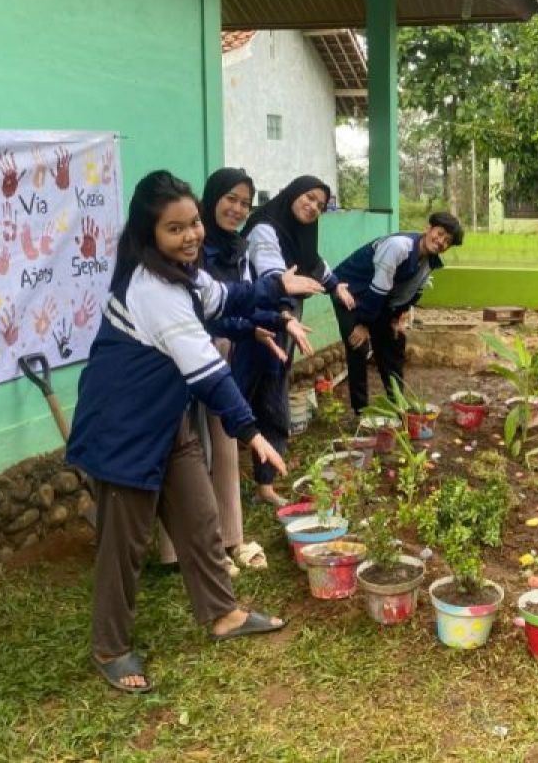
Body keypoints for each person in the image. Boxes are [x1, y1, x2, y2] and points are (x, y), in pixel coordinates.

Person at [67, 170, 322, 693]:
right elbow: (208, 372)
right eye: (174, 229)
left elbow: (225, 299)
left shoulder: (184, 271)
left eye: (192, 225)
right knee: (125, 546)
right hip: (123, 428)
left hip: (165, 418)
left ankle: (222, 614)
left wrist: (275, 289)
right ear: (149, 235)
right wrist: (252, 432)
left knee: (201, 519)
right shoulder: (152, 286)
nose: (190, 237)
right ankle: (111, 647)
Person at [156, 168, 286, 574]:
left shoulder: (236, 248)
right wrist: (252, 324)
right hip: (183, 357)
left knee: (225, 446)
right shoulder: (188, 251)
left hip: (224, 352)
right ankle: (182, 551)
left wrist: (275, 319)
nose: (237, 208)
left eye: (246, 203)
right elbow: (204, 312)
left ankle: (231, 539)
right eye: (230, 198)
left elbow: (239, 299)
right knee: (187, 453)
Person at [237, 176, 354, 507]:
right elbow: (274, 275)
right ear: (292, 193)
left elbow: (314, 263)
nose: (314, 206)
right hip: (252, 328)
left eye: (320, 203)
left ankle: (265, 485)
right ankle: (222, 487)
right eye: (310, 197)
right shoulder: (265, 227)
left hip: (284, 329)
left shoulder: (300, 235)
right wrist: (287, 313)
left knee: (274, 397)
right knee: (236, 399)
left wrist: (336, 287)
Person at [331, 212, 464, 414]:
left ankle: (397, 406)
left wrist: (395, 318)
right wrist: (364, 324)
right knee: (358, 345)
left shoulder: (429, 261)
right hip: (350, 291)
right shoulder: (399, 246)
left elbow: (411, 292)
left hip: (377, 297)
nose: (440, 242)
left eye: (447, 241)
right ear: (428, 228)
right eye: (440, 233)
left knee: (393, 343)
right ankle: (361, 411)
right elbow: (379, 288)